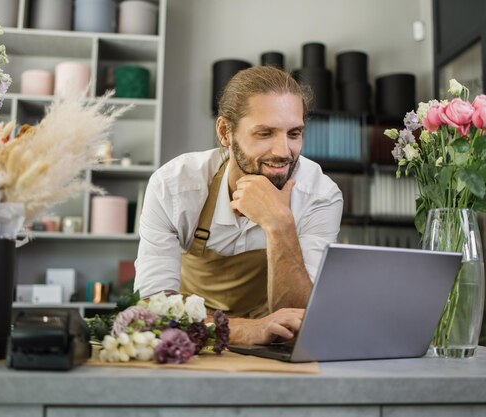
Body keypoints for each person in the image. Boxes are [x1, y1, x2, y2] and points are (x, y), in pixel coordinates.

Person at [134, 66, 343, 345]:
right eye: (265, 133)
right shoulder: (174, 187)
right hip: (192, 343)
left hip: (275, 348)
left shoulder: (320, 196)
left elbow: (303, 321)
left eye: (294, 133)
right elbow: (156, 308)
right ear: (225, 131)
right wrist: (247, 330)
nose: (283, 152)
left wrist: (280, 224)